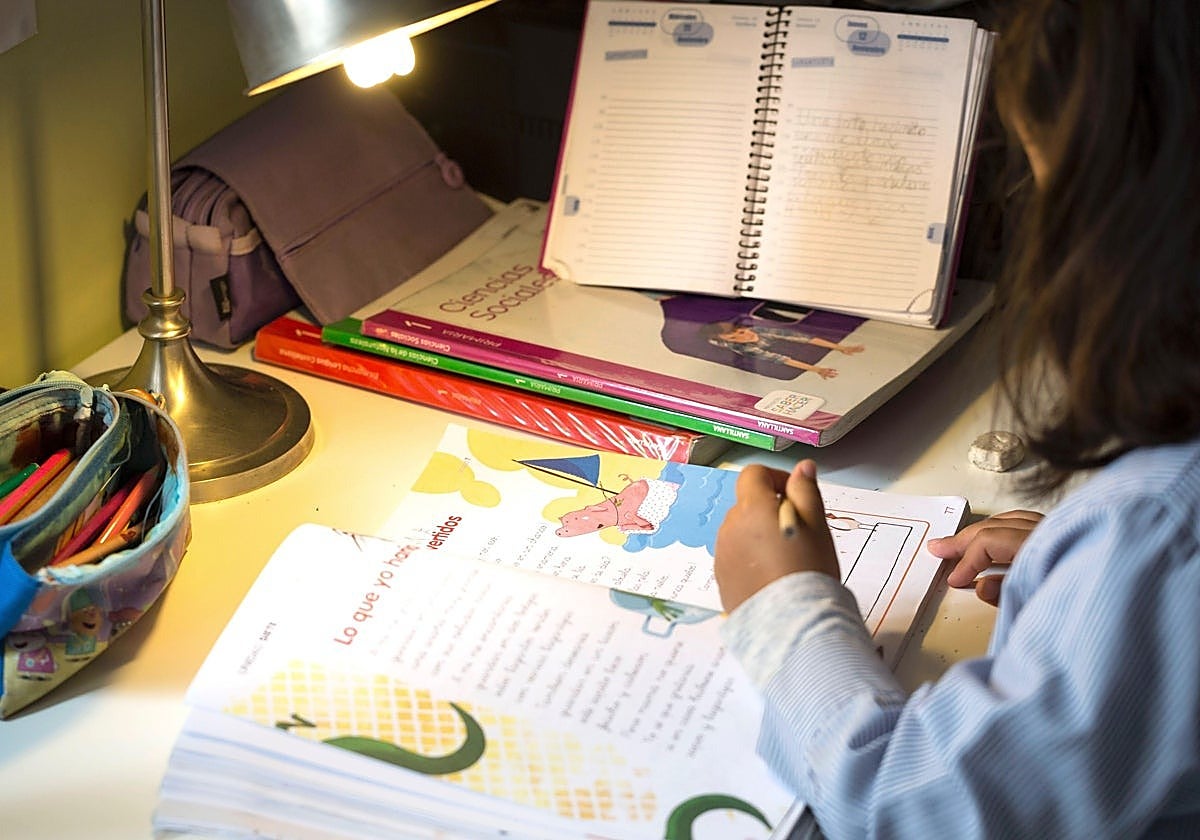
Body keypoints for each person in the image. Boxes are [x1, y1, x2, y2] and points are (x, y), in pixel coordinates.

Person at [712, 2, 1200, 837]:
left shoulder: (1159, 526)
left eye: (1048, 188)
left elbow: (910, 805)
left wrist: (782, 605)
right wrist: (1080, 560)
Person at [699, 320, 864, 380]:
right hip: (723, 342)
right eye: (734, 337)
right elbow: (781, 359)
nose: (743, 337)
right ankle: (714, 339)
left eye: (741, 332)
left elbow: (803, 338)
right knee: (715, 341)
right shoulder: (741, 346)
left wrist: (841, 348)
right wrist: (817, 369)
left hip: (755, 336)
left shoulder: (759, 330)